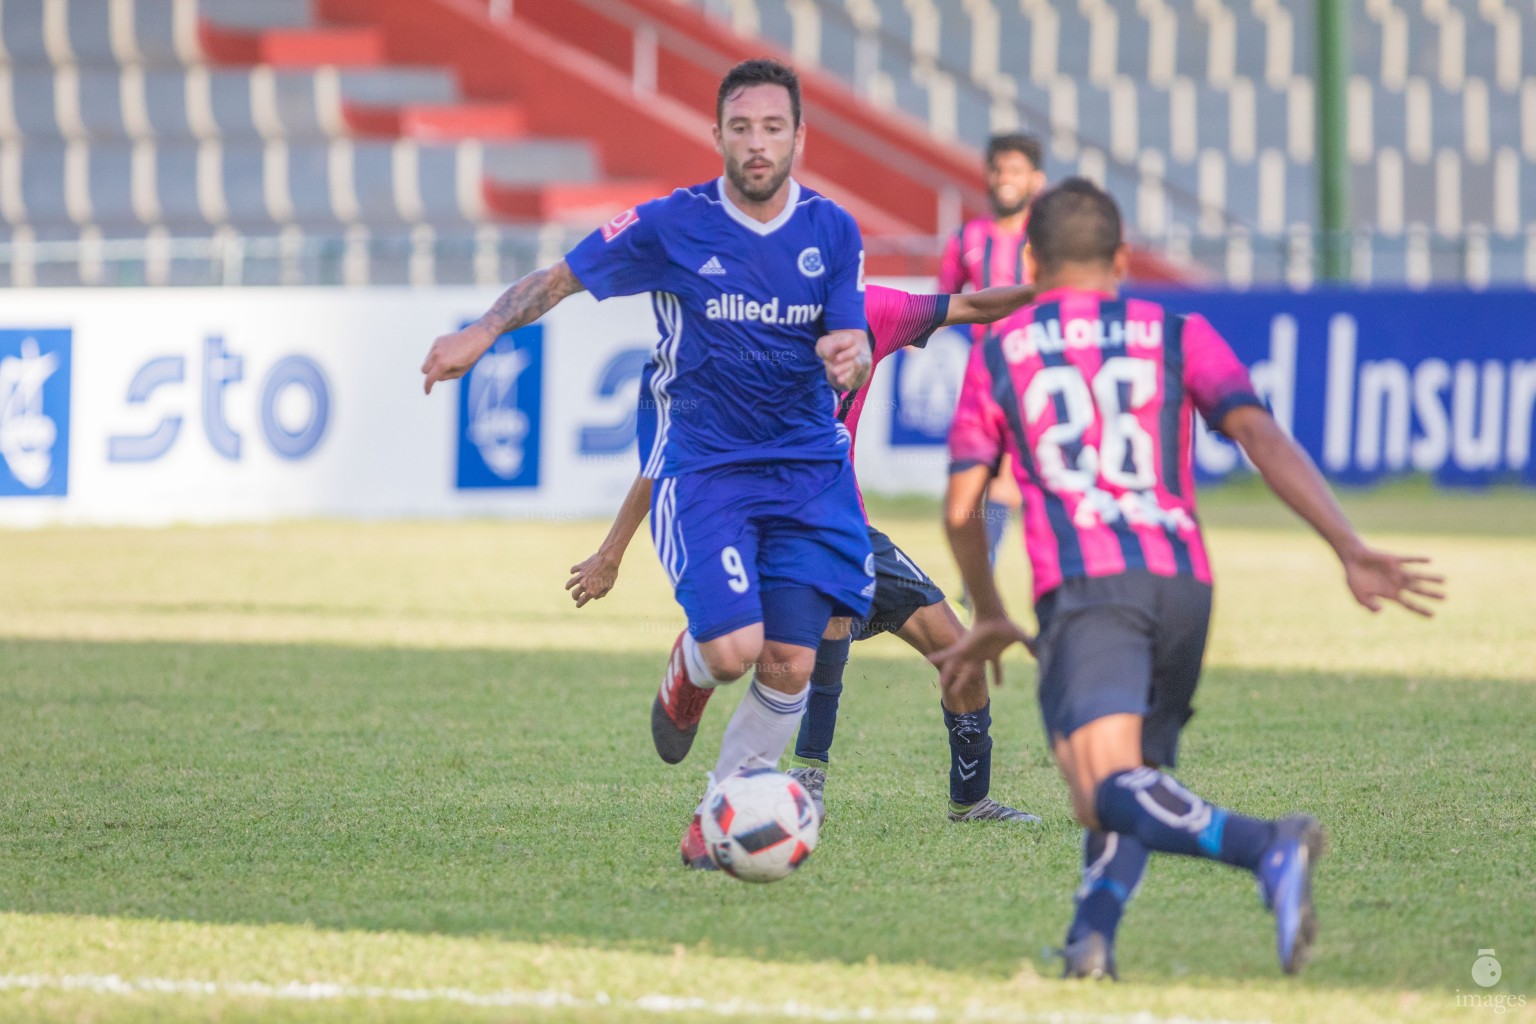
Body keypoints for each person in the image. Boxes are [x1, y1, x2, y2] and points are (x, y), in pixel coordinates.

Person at [931, 178, 1444, 978]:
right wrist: (1346, 543)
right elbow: (1261, 437)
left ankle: (1267, 845)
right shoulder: (1178, 333)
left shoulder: (1003, 350)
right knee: (1122, 781)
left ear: (1030, 261)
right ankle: (1090, 944)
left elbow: (964, 506)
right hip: (1184, 586)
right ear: (1123, 259)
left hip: (1092, 585)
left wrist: (989, 611)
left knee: (1104, 790)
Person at [422, 58, 876, 870]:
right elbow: (560, 279)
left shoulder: (834, 231)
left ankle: (720, 815)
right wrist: (481, 332)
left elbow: (850, 336)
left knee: (791, 660)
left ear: (799, 136)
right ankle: (689, 668)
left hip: (809, 469)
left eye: (774, 128)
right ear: (719, 137)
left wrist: (852, 354)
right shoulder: (673, 224)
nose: (758, 144)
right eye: (742, 128)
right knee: (736, 649)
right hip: (705, 465)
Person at [569, 280, 1043, 826]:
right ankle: (803, 773)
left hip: (844, 523)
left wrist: (1055, 288)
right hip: (763, 530)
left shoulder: (875, 309)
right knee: (820, 618)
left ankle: (972, 801)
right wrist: (611, 553)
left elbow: (975, 305)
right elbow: (667, 454)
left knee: (959, 653)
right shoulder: (741, 339)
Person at [939, 134, 1049, 573]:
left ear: (1035, 180)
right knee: (965, 486)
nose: (1005, 179)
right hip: (980, 374)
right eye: (999, 169)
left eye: (1016, 171)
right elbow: (941, 300)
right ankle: (978, 562)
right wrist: (906, 338)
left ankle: (985, 561)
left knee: (1011, 472)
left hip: (1033, 368)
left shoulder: (1046, 239)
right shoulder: (966, 237)